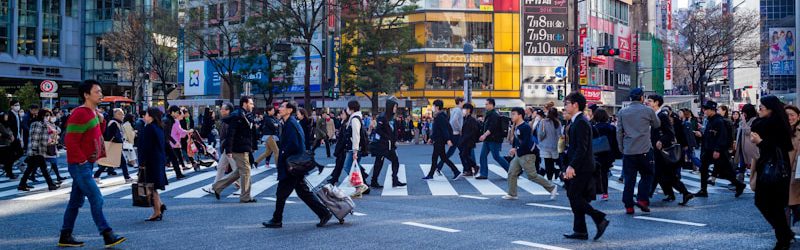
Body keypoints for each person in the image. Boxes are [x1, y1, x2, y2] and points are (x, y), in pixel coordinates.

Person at [59, 80, 125, 248]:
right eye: (97, 92)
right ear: (86, 95)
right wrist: (81, 160)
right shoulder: (80, 113)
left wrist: (101, 121)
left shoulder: (94, 112)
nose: (100, 94)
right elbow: (70, 139)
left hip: (86, 163)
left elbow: (97, 135)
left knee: (75, 202)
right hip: (80, 165)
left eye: (100, 91)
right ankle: (107, 234)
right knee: (96, 198)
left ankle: (65, 235)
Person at [263, 100, 332, 229]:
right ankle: (324, 213)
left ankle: (277, 219)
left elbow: (294, 144)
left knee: (281, 193)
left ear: (289, 110)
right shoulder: (289, 122)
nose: (279, 109)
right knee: (303, 192)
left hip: (292, 165)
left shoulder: (291, 124)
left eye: (282, 107)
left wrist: (283, 153)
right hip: (294, 165)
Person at [561, 92, 609, 241]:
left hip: (582, 166)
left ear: (575, 105)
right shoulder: (578, 121)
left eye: (567, 104)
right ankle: (580, 230)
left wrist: (571, 166)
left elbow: (582, 148)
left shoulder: (581, 121)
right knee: (577, 197)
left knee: (574, 195)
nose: (565, 107)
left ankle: (599, 217)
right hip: (581, 165)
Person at [750, 96, 795, 249]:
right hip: (767, 167)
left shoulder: (778, 124)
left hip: (777, 169)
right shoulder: (765, 123)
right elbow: (755, 127)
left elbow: (781, 147)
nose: (759, 109)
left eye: (762, 106)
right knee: (763, 202)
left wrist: (760, 142)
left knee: (772, 204)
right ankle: (785, 233)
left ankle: (783, 239)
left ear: (770, 108)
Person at [616, 88, 659, 214]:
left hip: (629, 150)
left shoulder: (622, 112)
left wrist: (621, 147)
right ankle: (642, 199)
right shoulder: (648, 110)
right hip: (645, 148)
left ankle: (628, 205)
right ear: (642, 98)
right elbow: (657, 124)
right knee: (647, 175)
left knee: (629, 179)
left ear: (630, 98)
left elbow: (619, 131)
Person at [646, 95, 694, 206]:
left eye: (650, 101)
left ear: (656, 103)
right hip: (657, 150)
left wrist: (661, 141)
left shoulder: (662, 116)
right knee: (666, 176)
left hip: (662, 150)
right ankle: (681, 193)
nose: (648, 102)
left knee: (657, 173)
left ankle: (645, 196)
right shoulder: (654, 115)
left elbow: (670, 133)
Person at [208, 97, 257, 203]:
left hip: (243, 147)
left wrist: (253, 146)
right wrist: (229, 150)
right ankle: (245, 197)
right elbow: (231, 134)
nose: (253, 105)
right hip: (239, 148)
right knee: (246, 172)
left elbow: (249, 133)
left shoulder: (246, 115)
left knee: (240, 171)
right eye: (251, 103)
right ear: (245, 103)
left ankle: (217, 186)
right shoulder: (238, 115)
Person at [502, 107, 558, 200]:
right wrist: (514, 148)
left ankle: (552, 187)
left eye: (513, 114)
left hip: (528, 155)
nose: (511, 116)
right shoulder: (517, 126)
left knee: (532, 176)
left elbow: (526, 142)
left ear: (520, 115)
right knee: (512, 172)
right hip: (519, 154)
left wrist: (515, 149)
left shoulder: (525, 127)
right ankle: (512, 194)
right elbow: (517, 140)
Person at [695, 101, 747, 197]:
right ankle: (703, 190)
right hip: (709, 149)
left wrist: (717, 150)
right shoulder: (711, 120)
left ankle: (739, 185)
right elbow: (710, 135)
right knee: (704, 168)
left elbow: (722, 137)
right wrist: (701, 135)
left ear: (712, 110)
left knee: (725, 172)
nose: (704, 111)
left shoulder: (718, 121)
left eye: (706, 109)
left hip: (716, 150)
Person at [328, 101, 369, 192]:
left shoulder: (354, 119)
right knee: (353, 167)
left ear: (352, 109)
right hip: (353, 148)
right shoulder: (354, 118)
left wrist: (355, 150)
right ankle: (361, 186)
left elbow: (356, 135)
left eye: (348, 108)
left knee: (347, 166)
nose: (347, 110)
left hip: (353, 148)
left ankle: (360, 186)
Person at [137, 107, 168, 221]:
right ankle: (160, 205)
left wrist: (142, 163)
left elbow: (146, 147)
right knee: (153, 185)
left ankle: (157, 212)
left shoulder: (149, 128)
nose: (144, 116)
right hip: (158, 159)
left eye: (146, 114)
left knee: (151, 186)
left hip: (151, 161)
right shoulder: (159, 127)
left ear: (151, 116)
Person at [17, 109, 60, 191]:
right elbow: (34, 137)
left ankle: (22, 184)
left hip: (40, 149)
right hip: (36, 150)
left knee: (30, 168)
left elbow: (54, 132)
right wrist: (34, 148)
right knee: (44, 168)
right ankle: (51, 184)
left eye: (48, 115)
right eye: (46, 115)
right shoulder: (36, 124)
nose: (48, 117)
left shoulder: (43, 124)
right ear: (42, 115)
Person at [423, 99, 463, 180]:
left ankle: (431, 174)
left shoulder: (440, 116)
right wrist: (431, 138)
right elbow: (437, 129)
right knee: (443, 158)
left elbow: (444, 129)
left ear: (437, 107)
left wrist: (448, 139)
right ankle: (456, 171)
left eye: (433, 106)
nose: (432, 107)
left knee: (435, 157)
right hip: (438, 139)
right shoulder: (439, 116)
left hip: (439, 140)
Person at [371, 99, 407, 188]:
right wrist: (387, 138)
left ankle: (394, 180)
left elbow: (393, 131)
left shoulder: (392, 118)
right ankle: (374, 181)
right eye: (395, 107)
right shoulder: (382, 117)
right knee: (379, 163)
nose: (396, 108)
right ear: (390, 107)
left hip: (390, 145)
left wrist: (394, 141)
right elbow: (378, 130)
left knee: (394, 161)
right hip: (382, 145)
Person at [93, 108, 132, 183]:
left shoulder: (117, 122)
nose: (122, 116)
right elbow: (111, 135)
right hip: (114, 145)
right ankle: (127, 178)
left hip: (113, 145)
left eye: (123, 114)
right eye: (120, 114)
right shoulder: (114, 123)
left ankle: (96, 176)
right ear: (115, 115)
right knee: (121, 162)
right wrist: (119, 140)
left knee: (107, 162)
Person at [591, 109, 620, 201]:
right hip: (608, 154)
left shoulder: (594, 127)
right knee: (604, 172)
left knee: (595, 172)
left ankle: (595, 190)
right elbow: (615, 142)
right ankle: (605, 193)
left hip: (597, 153)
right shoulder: (612, 128)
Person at [478, 98, 510, 179]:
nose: (485, 105)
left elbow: (492, 128)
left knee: (496, 156)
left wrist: (484, 135)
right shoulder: (489, 114)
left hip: (494, 139)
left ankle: (512, 171)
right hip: (489, 139)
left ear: (491, 104)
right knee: (482, 156)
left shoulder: (494, 115)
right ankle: (483, 174)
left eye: (486, 104)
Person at [435, 97, 464, 174]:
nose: (463, 104)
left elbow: (451, 121)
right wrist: (460, 129)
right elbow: (455, 120)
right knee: (460, 151)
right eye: (462, 102)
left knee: (457, 151)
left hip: (453, 133)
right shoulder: (458, 110)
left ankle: (439, 166)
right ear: (460, 102)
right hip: (457, 133)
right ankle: (470, 167)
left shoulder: (453, 109)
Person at [735, 104, 759, 184]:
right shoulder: (743, 121)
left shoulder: (754, 120)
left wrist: (744, 121)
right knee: (741, 165)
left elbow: (747, 132)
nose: (743, 114)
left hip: (750, 148)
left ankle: (755, 182)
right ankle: (739, 183)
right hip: (741, 146)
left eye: (744, 112)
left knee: (753, 166)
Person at [784, 105, 800, 225]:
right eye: (786, 115)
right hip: (782, 172)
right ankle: (785, 234)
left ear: (798, 116)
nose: (789, 117)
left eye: (792, 115)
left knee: (794, 203)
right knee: (784, 204)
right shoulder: (779, 130)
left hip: (797, 173)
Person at [2, 100, 24, 179]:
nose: (18, 106)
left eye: (18, 105)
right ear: (11, 106)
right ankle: (9, 173)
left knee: (20, 153)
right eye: (16, 105)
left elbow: (19, 127)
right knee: (10, 156)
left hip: (17, 137)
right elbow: (6, 126)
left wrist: (20, 137)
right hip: (10, 138)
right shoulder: (8, 114)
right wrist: (10, 135)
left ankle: (6, 165)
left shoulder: (17, 114)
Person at [539, 107, 562, 181]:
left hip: (545, 145)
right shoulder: (558, 122)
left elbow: (540, 134)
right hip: (555, 146)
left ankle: (549, 179)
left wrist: (540, 141)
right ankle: (557, 173)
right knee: (555, 161)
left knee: (547, 163)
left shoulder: (543, 122)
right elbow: (560, 134)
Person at [165, 106, 188, 179]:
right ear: (172, 112)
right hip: (163, 142)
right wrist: (174, 142)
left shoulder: (171, 120)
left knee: (174, 158)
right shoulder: (167, 120)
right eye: (177, 113)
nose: (178, 114)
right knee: (163, 160)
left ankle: (179, 174)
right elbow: (166, 133)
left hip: (167, 142)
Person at [43, 109, 65, 182]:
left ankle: (58, 176)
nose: (49, 117)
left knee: (53, 161)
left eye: (50, 115)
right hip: (46, 145)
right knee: (40, 162)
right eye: (47, 115)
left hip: (51, 144)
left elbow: (58, 131)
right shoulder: (43, 123)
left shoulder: (51, 124)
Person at [460, 103, 481, 176]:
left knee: (464, 154)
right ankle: (469, 170)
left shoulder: (471, 120)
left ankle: (475, 166)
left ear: (468, 110)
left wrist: (464, 139)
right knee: (466, 154)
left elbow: (473, 131)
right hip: (466, 140)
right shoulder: (466, 118)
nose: (463, 111)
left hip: (469, 141)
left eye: (464, 109)